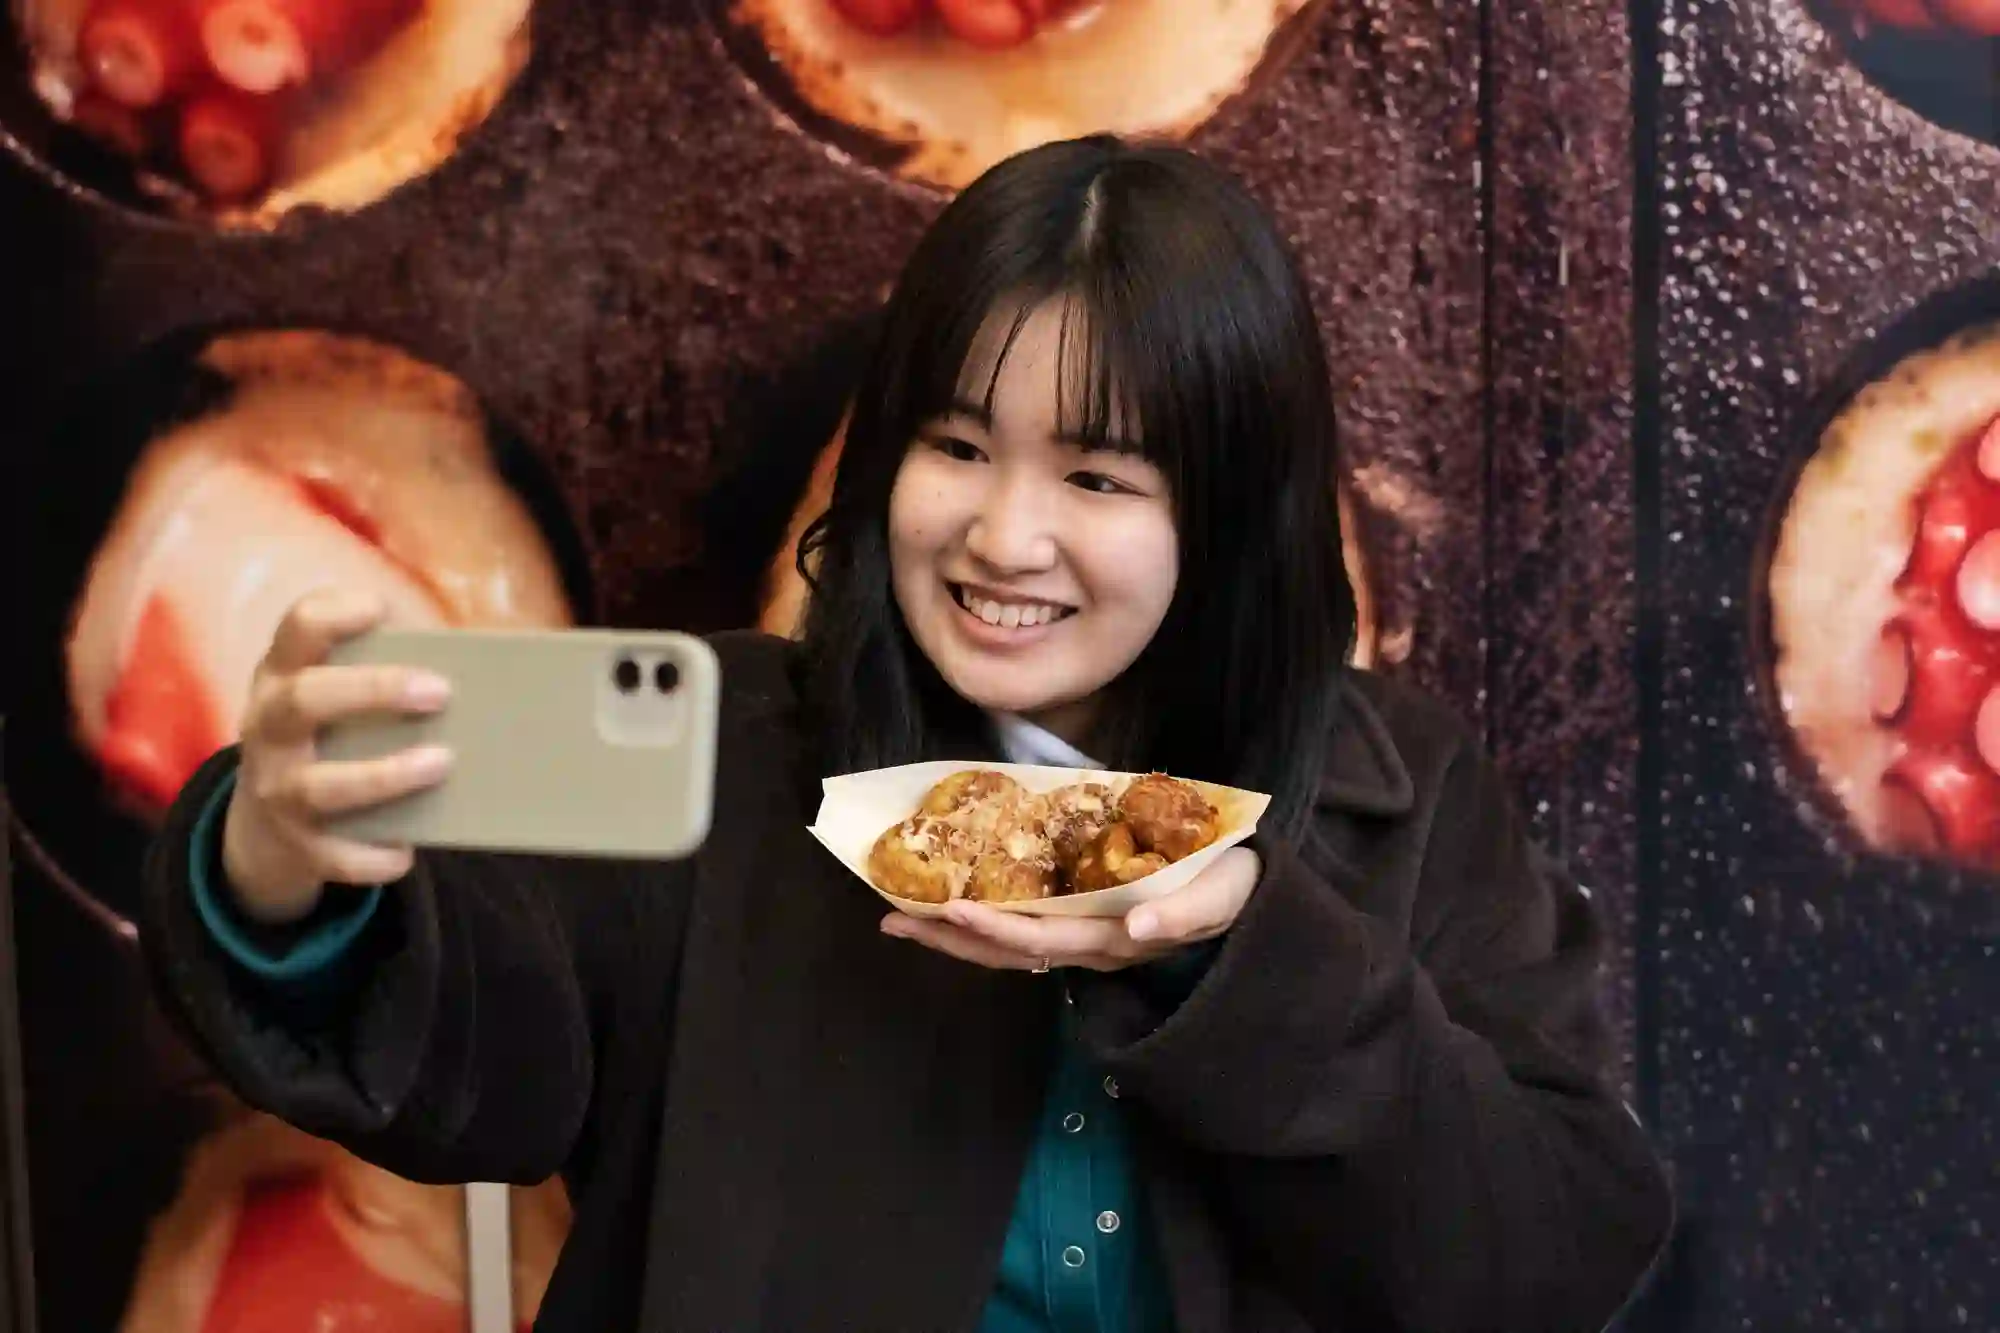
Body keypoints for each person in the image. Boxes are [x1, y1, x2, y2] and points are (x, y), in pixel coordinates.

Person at [140, 135, 1673, 1332]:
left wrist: (1237, 954)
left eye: (1096, 478)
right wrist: (282, 870)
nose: (1004, 537)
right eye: (955, 446)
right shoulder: (737, 765)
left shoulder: (1395, 796)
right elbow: (457, 1050)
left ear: (1230, 520)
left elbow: (1537, 1265)